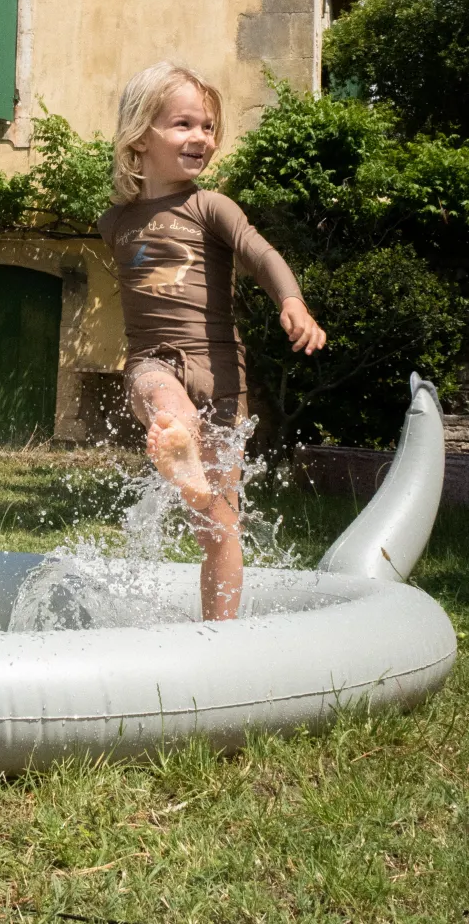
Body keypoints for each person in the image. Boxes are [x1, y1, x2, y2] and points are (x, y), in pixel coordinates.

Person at [98, 62, 326, 621]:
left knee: (220, 527)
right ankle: (178, 440)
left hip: (222, 377)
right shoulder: (115, 221)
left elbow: (260, 252)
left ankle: (219, 636)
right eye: (183, 124)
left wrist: (290, 301)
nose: (201, 137)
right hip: (153, 359)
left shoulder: (210, 207)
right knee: (165, 401)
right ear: (139, 135)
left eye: (207, 127)